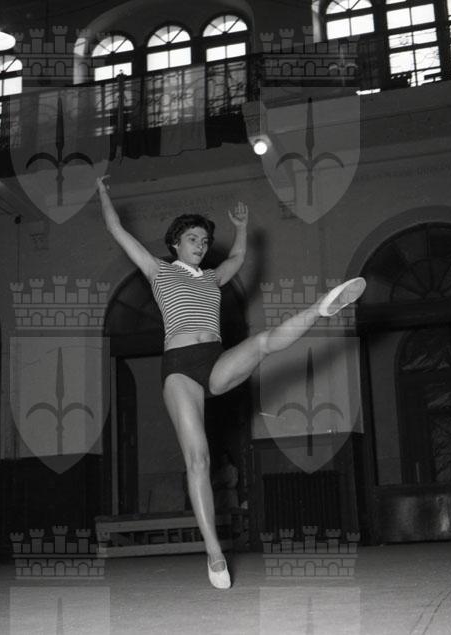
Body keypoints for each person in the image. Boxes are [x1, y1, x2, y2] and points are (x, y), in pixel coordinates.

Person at [97, 175, 365, 589]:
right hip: (179, 368)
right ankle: (214, 553)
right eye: (193, 239)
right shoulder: (158, 271)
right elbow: (117, 230)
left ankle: (321, 308)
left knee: (262, 343)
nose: (201, 245)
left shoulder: (212, 278)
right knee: (199, 459)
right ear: (175, 244)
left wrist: (240, 228)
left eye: (205, 241)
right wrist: (102, 191)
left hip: (214, 360)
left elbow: (238, 257)